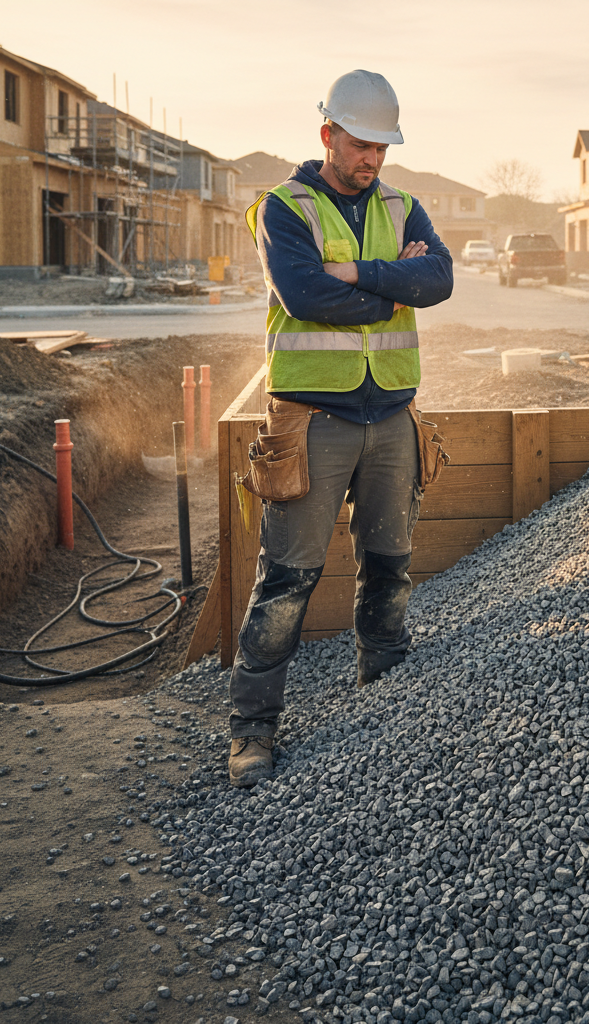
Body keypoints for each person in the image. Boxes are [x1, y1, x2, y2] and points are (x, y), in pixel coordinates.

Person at [228, 70, 453, 788]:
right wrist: (391, 290)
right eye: (361, 146)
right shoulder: (282, 208)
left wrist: (356, 271)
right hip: (312, 421)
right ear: (328, 135)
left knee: (388, 567)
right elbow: (303, 292)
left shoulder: (403, 204)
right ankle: (252, 732)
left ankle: (383, 703)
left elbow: (439, 281)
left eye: (382, 148)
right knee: (287, 579)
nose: (373, 161)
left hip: (391, 417)